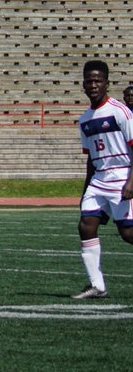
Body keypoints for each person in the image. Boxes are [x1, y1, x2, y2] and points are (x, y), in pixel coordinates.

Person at [74, 60, 133, 299]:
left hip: (122, 176)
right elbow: (90, 158)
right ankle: (97, 286)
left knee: (128, 234)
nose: (93, 85)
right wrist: (85, 190)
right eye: (89, 81)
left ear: (107, 83)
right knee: (86, 224)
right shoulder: (85, 120)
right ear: (83, 85)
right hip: (99, 179)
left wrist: (131, 182)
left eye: (98, 81)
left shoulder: (120, 112)